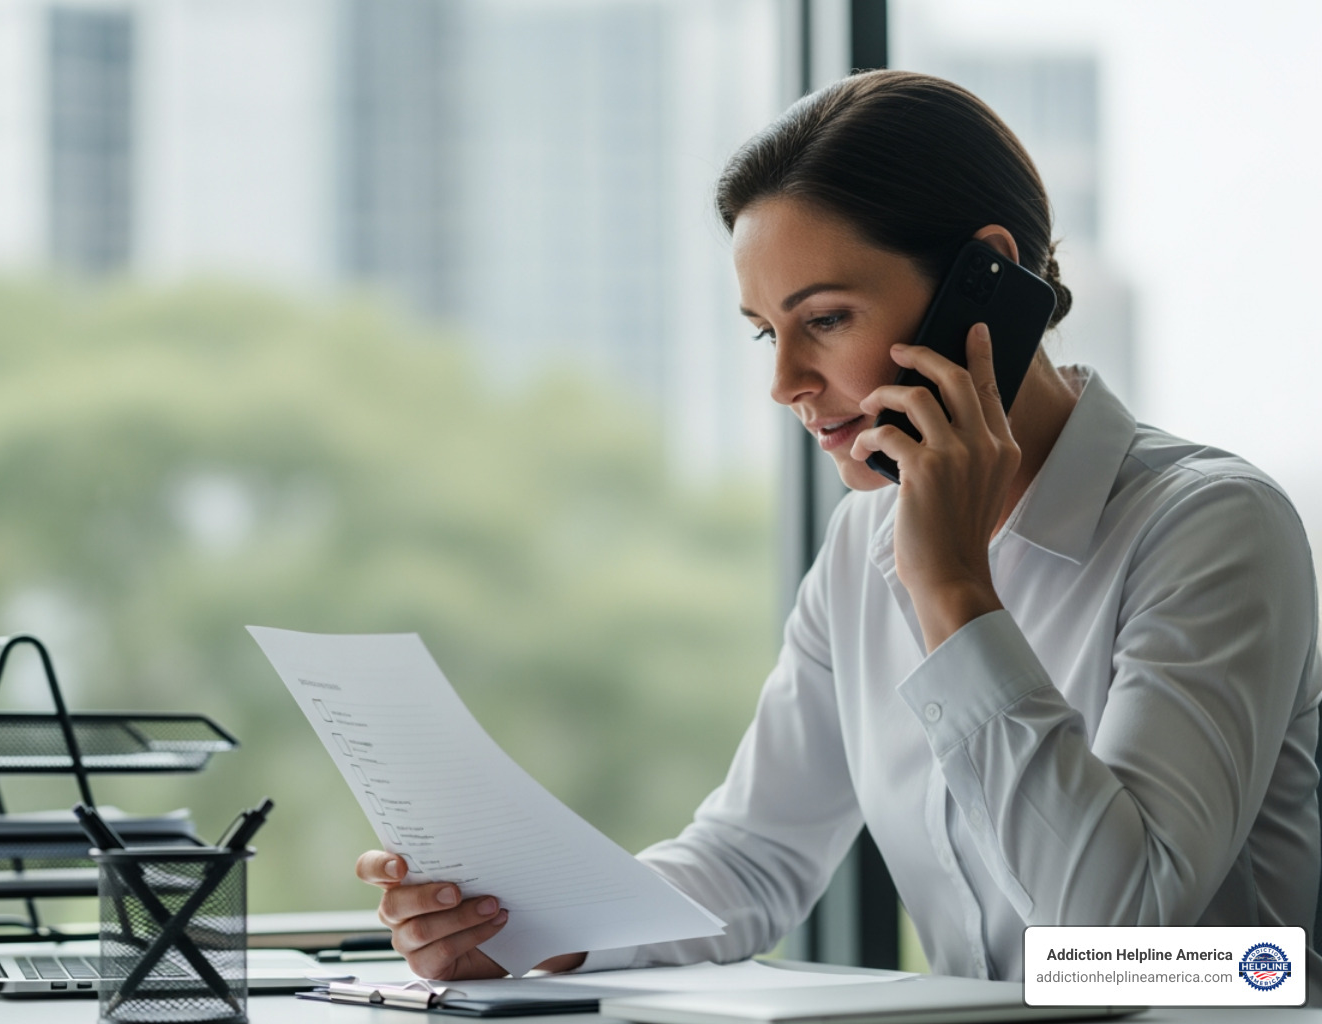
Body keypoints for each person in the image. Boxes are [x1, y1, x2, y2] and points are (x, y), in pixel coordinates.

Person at [355, 70, 1322, 998]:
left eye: (824, 318)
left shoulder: (1210, 528)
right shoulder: (862, 548)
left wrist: (952, 590)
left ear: (984, 280)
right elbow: (753, 857)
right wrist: (536, 929)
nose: (786, 384)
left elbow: (1124, 934)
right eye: (764, 331)